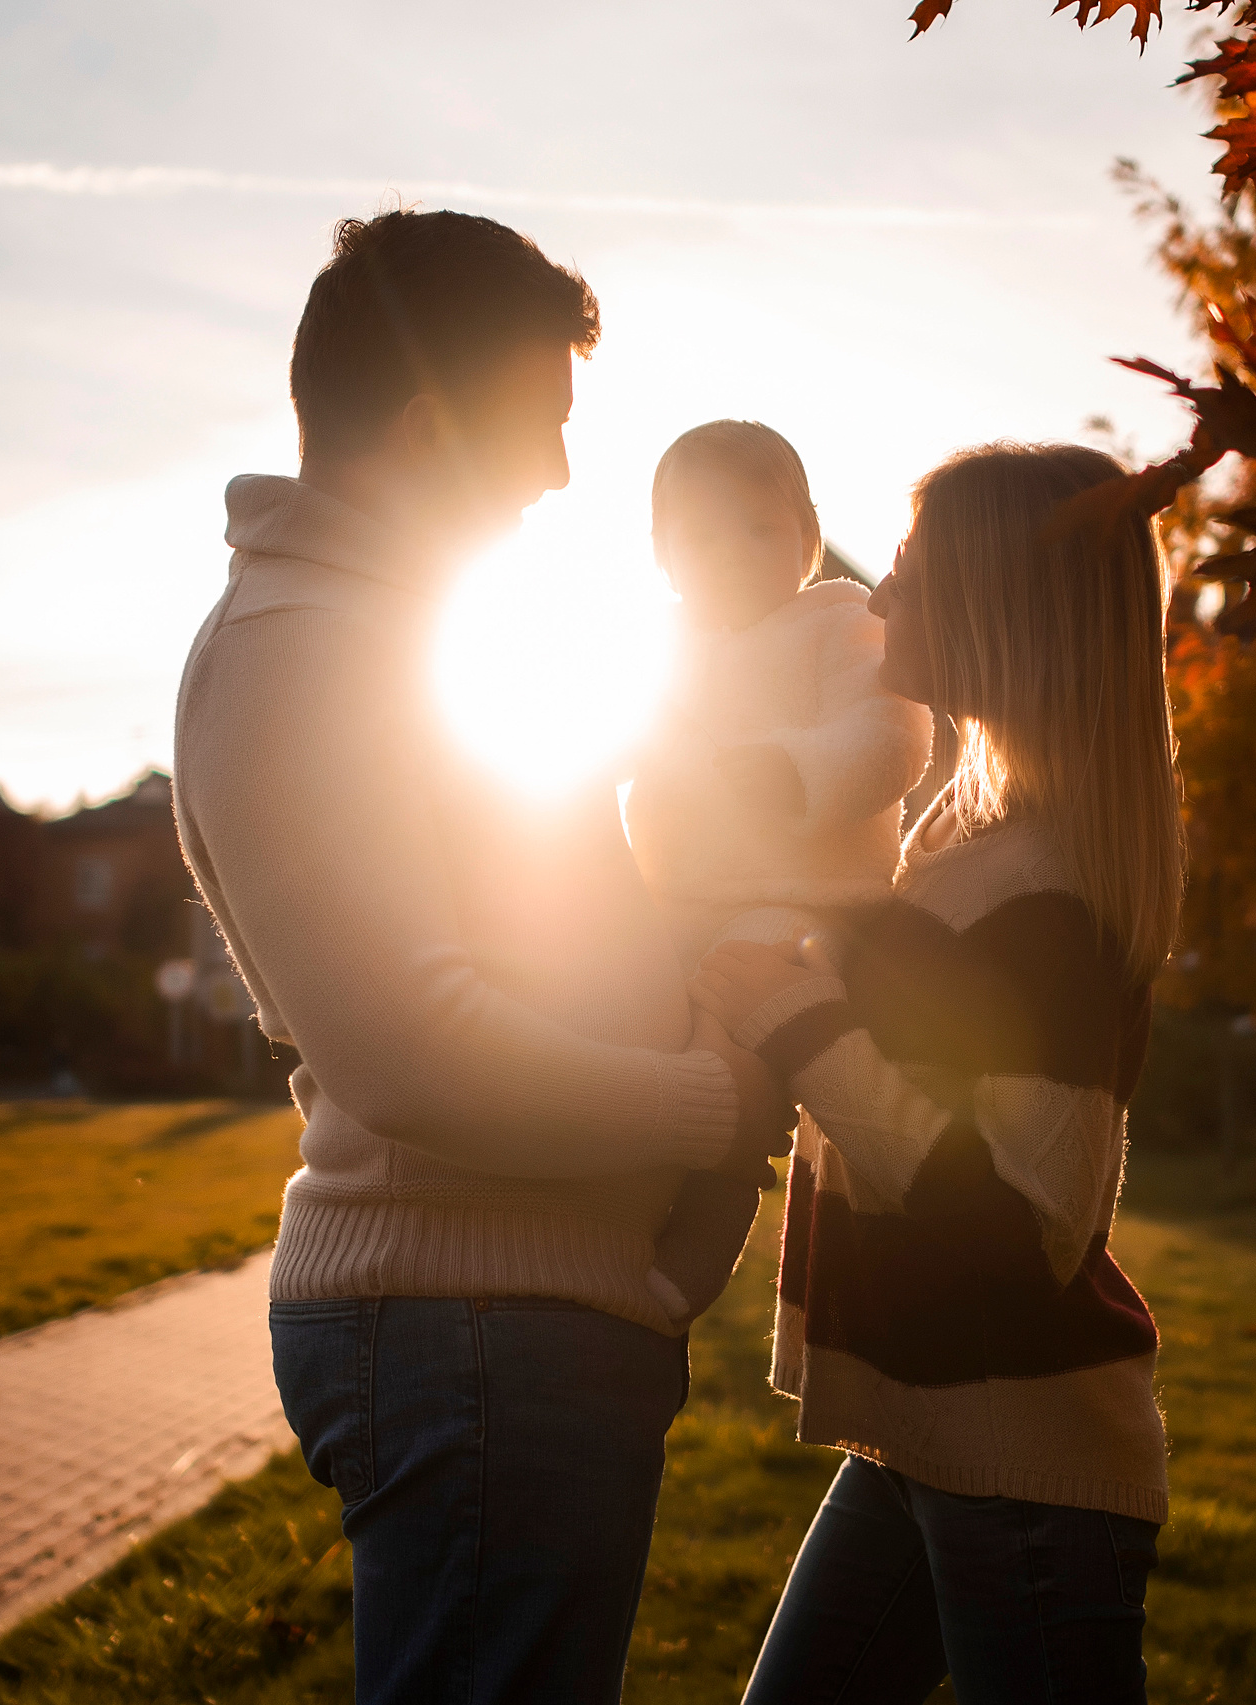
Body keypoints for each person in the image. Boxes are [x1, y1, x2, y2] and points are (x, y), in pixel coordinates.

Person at [170, 209, 796, 1705]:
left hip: (516, 1329)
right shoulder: (299, 649)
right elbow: (416, 1051)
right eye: (541, 422)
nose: (565, 473)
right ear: (430, 423)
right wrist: (711, 1106)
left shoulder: (404, 637)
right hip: (467, 1331)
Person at [691, 441, 1190, 1704]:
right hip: (929, 1433)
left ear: (986, 607)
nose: (872, 601)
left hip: (1018, 1457)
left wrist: (806, 1026)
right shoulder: (968, 843)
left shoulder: (1051, 888)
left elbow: (1029, 1218)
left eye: (904, 578)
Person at [624, 420, 932, 1325]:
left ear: (805, 538)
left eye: (761, 530)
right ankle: (622, 1206)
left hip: (801, 907)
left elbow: (892, 741)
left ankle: (699, 1245)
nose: (734, 555)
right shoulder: (662, 651)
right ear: (663, 555)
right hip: (676, 897)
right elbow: (616, 748)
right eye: (704, 536)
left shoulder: (836, 621)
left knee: (724, 1056)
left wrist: (794, 769)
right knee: (631, 1023)